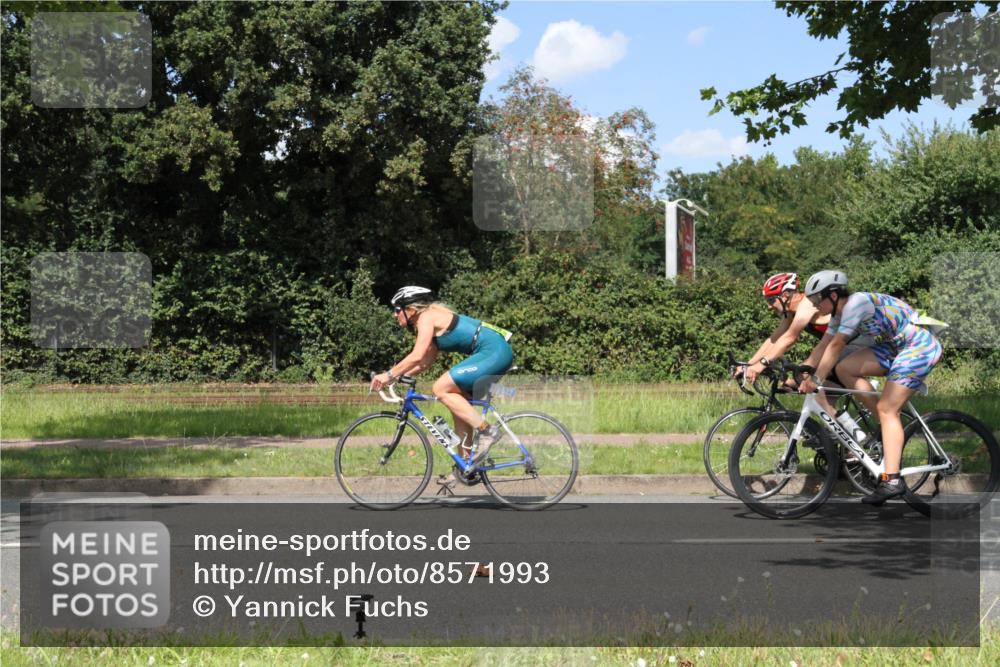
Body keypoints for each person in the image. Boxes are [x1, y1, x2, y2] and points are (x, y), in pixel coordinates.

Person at [797, 271, 943, 505]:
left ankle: (892, 480)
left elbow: (836, 345)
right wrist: (803, 371)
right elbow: (823, 345)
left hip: (919, 346)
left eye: (816, 300)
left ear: (833, 295)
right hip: (896, 347)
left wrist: (816, 380)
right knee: (845, 368)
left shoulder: (857, 303)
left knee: (888, 409)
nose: (814, 306)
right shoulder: (838, 314)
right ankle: (885, 426)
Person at [370, 286, 514, 483]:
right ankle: (466, 466)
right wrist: (397, 377)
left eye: (397, 310)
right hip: (492, 352)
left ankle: (487, 432)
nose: (394, 315)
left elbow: (417, 355)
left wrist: (388, 375)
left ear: (410, 309)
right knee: (458, 404)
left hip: (494, 351)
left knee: (440, 388)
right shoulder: (426, 321)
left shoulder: (427, 317)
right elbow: (424, 362)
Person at [742, 272, 874, 392]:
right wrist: (748, 365)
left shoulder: (807, 303)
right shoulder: (790, 313)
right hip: (835, 347)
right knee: (820, 397)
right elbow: (774, 340)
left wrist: (762, 364)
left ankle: (875, 400)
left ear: (785, 295)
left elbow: (789, 338)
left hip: (856, 343)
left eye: (771, 300)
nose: (769, 306)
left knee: (809, 379)